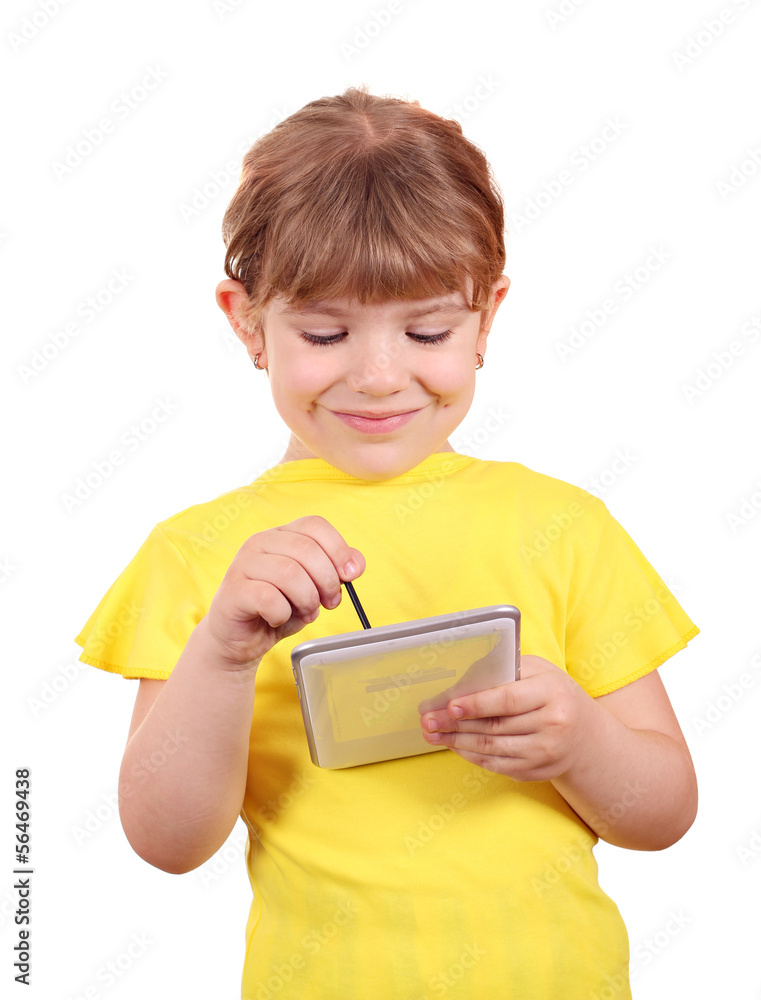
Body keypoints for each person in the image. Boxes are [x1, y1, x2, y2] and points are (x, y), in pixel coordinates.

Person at [74, 85, 700, 999]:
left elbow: (664, 812)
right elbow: (167, 844)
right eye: (325, 332)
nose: (378, 377)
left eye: (427, 330)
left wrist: (582, 743)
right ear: (246, 320)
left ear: (487, 317)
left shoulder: (564, 525)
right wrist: (220, 654)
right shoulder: (198, 555)